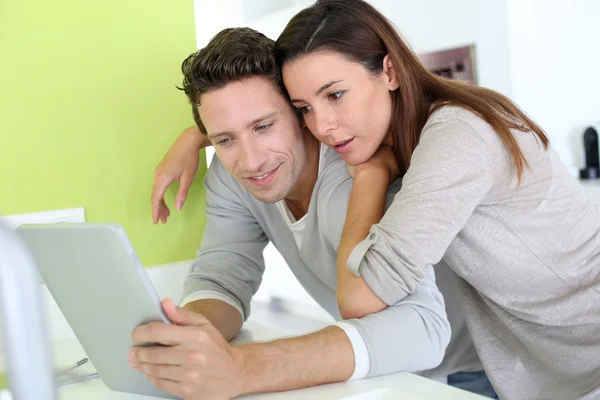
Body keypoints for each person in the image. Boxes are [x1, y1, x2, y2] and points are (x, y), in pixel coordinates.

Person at [128, 27, 498, 399]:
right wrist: (189, 338)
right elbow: (223, 276)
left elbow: (422, 328)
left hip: (477, 372)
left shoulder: (355, 172)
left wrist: (245, 368)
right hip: (390, 378)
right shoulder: (230, 174)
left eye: (263, 126)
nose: (251, 161)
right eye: (225, 139)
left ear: (299, 110)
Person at [273, 1, 600, 399]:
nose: (322, 125)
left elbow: (360, 298)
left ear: (389, 72)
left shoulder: (456, 135)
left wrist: (371, 178)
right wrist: (197, 137)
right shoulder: (409, 135)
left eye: (336, 94)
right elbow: (250, 118)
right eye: (304, 108)